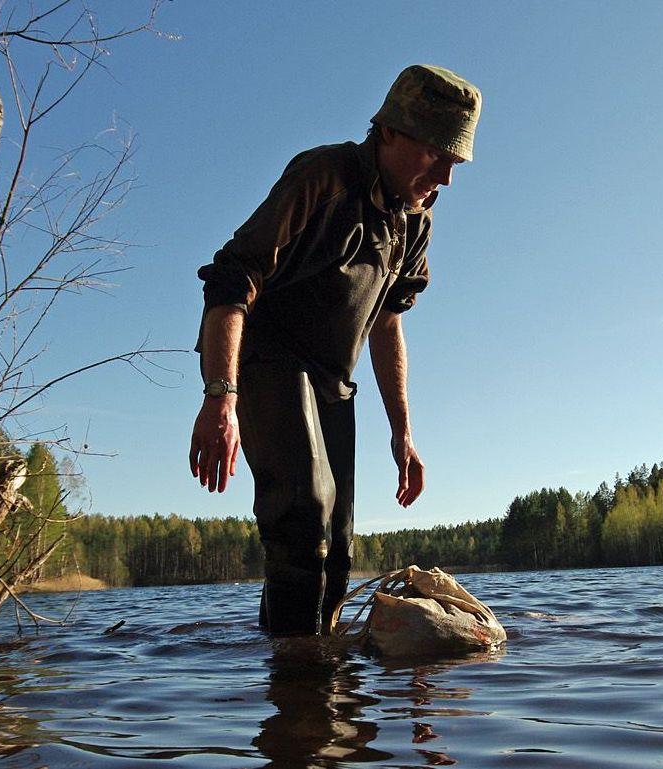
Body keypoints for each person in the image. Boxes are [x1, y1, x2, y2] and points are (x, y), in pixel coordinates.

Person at [189, 64, 481, 637]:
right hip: (268, 358)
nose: (446, 179)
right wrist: (220, 399)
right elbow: (230, 280)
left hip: (333, 383)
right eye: (438, 156)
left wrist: (402, 432)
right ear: (393, 132)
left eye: (456, 164)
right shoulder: (323, 176)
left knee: (338, 546)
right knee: (304, 515)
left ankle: (313, 681)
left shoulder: (413, 221)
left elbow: (388, 324)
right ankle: (299, 678)